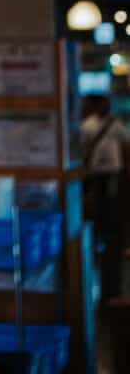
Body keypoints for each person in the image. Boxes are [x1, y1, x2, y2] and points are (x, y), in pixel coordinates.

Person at [81, 95, 129, 298]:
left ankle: (99, 236)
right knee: (111, 211)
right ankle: (109, 238)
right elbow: (127, 147)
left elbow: (81, 151)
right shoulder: (115, 124)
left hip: (95, 176)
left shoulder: (85, 126)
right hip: (111, 176)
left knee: (99, 209)